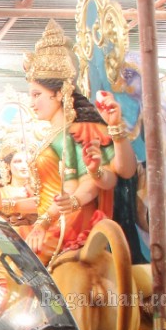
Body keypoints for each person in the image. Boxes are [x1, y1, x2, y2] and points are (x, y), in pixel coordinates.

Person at [21, 20, 137, 261]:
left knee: (19, 260)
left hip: (68, 225)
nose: (32, 103)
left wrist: (44, 222)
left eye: (37, 95)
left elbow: (90, 184)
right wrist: (9, 207)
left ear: (60, 93)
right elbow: (50, 195)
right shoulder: (54, 135)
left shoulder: (76, 132)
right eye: (30, 95)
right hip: (52, 219)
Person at [0, 140, 38, 235]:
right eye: (18, 161)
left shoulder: (39, 192)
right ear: (8, 165)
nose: (24, 166)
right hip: (4, 241)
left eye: (27, 161)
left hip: (32, 240)